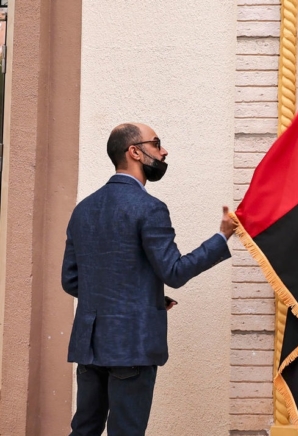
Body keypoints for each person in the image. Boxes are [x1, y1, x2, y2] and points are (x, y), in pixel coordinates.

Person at [61, 123, 237, 435]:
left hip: (90, 346)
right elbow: (174, 272)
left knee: (84, 429)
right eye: (156, 144)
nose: (163, 151)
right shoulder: (149, 208)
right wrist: (221, 238)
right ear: (134, 152)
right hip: (132, 344)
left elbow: (71, 280)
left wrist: (145, 296)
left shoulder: (83, 209)